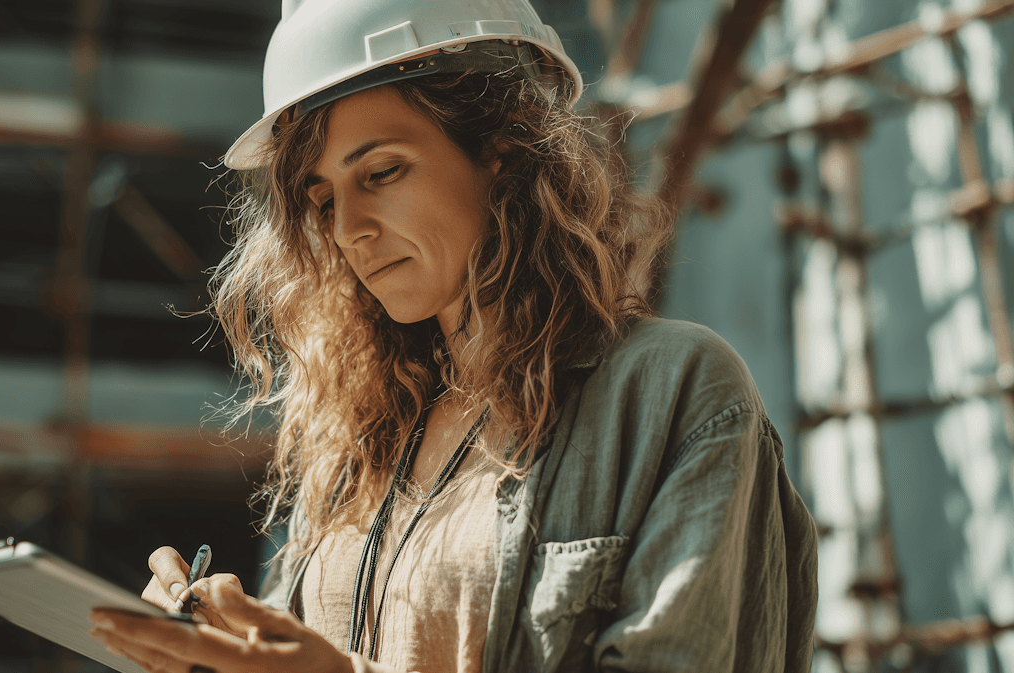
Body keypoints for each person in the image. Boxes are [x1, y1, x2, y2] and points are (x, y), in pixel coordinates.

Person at [87, 0, 819, 671]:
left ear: (500, 146)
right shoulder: (353, 442)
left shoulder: (672, 392)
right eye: (323, 198)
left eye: (381, 171)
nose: (349, 229)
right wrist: (217, 642)